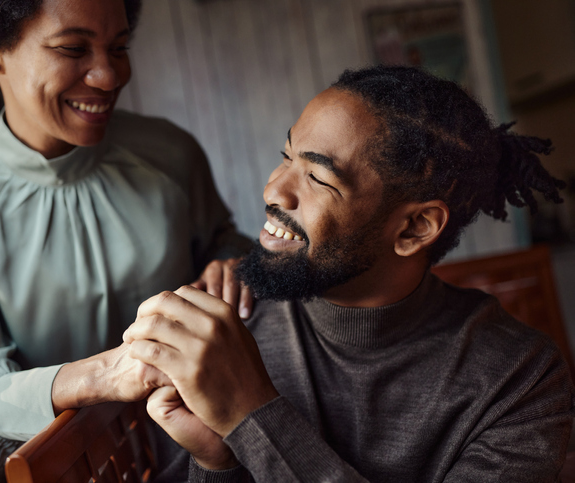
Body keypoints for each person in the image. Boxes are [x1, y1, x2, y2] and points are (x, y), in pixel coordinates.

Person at [123, 65, 575, 482]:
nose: (274, 189)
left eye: (318, 177)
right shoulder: (234, 320)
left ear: (415, 227)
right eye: (287, 156)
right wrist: (215, 462)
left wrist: (253, 416)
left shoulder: (520, 380)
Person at [0, 0, 251, 481]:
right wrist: (105, 374)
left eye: (119, 47)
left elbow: (224, 241)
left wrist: (234, 262)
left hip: (212, 460)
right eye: (72, 48)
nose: (109, 77)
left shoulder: (172, 154)